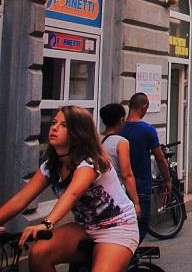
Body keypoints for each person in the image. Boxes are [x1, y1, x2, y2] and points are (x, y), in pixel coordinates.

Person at [0, 106, 139, 271]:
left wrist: (47, 224)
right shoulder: (51, 166)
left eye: (64, 125)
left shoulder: (91, 162)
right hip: (85, 228)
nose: (54, 127)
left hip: (118, 228)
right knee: (38, 253)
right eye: (54, 122)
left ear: (78, 132)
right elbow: (20, 200)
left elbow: (72, 193)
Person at [120, 92, 171, 242]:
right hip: (141, 184)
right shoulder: (147, 130)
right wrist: (167, 179)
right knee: (141, 224)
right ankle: (130, 256)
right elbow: (160, 158)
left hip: (121, 185)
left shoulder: (120, 129)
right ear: (143, 107)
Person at [98, 104, 141, 218]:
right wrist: (136, 202)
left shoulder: (96, 139)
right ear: (121, 120)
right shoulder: (121, 142)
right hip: (114, 194)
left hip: (97, 194)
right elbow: (126, 175)